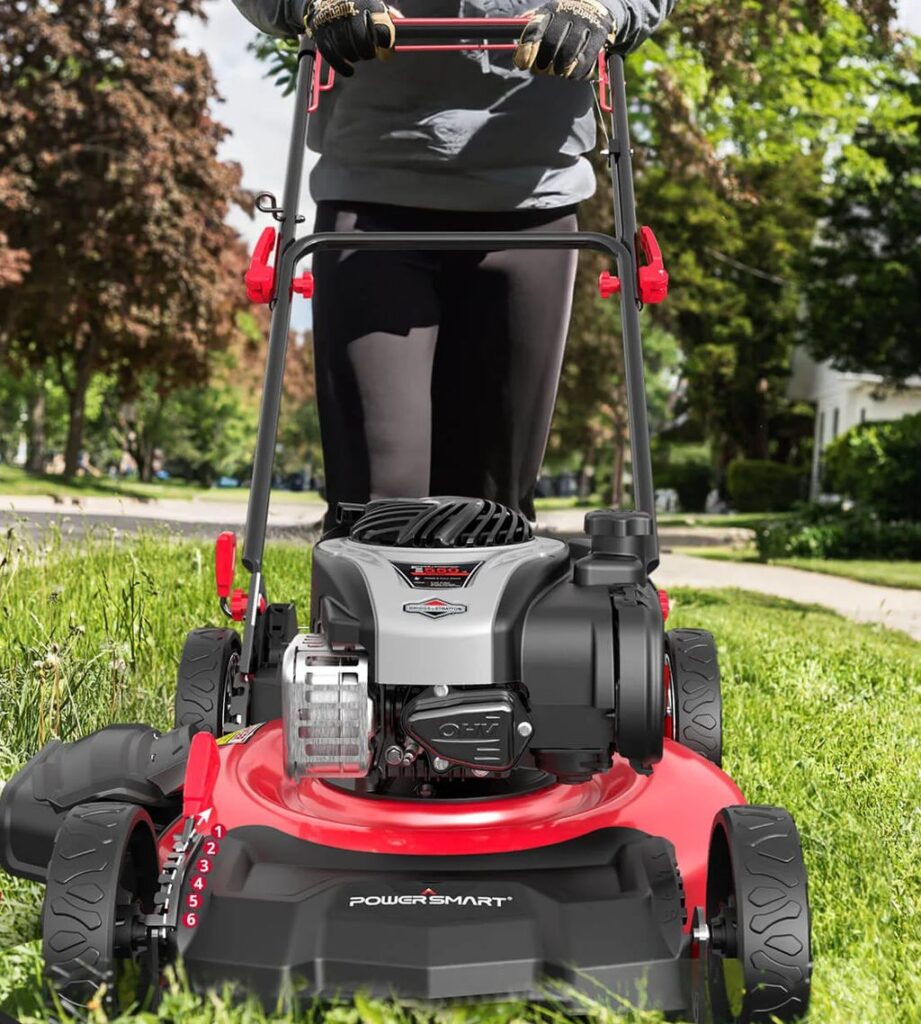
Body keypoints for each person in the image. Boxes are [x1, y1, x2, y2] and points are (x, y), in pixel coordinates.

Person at [231, 0, 674, 530]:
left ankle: (496, 605)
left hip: (533, 206)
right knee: (378, 503)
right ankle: (367, 604)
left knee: (494, 505)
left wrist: (604, 9)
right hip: (373, 201)